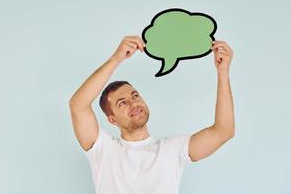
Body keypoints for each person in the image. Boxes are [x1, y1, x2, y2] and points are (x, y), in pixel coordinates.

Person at [69, 35, 235, 194]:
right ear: (112, 120)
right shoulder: (103, 151)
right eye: (122, 103)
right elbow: (78, 105)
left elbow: (224, 131)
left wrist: (223, 71)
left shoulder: (173, 149)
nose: (133, 103)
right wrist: (116, 59)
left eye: (135, 96)